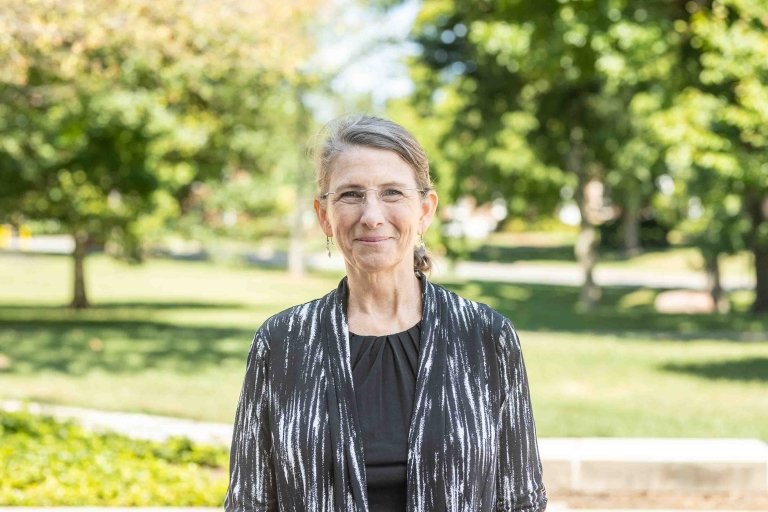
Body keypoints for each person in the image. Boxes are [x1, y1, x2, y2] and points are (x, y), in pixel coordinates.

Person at [225, 115, 547, 511]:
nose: (372, 215)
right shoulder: (282, 343)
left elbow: (520, 502)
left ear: (425, 210)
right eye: (351, 195)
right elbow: (249, 503)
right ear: (323, 215)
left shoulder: (485, 338)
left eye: (392, 192)